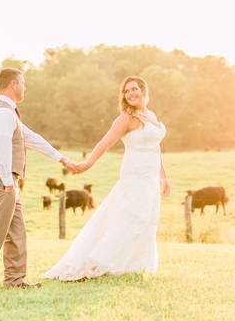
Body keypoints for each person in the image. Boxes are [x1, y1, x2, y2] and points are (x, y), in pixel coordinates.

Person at [0, 67, 78, 292]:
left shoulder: (8, 112)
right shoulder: (3, 113)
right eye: (23, 83)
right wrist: (7, 181)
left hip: (6, 180)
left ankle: (15, 280)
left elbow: (31, 138)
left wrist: (62, 159)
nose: (25, 87)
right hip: (0, 179)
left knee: (16, 231)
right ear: (13, 85)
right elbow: (1, 147)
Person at [44, 75, 170, 281]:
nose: (130, 93)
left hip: (150, 179)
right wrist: (86, 164)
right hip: (134, 176)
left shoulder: (151, 116)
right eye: (126, 91)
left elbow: (155, 148)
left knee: (148, 219)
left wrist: (163, 177)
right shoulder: (125, 119)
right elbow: (105, 143)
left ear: (144, 91)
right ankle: (98, 261)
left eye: (134, 89)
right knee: (131, 218)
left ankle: (134, 264)